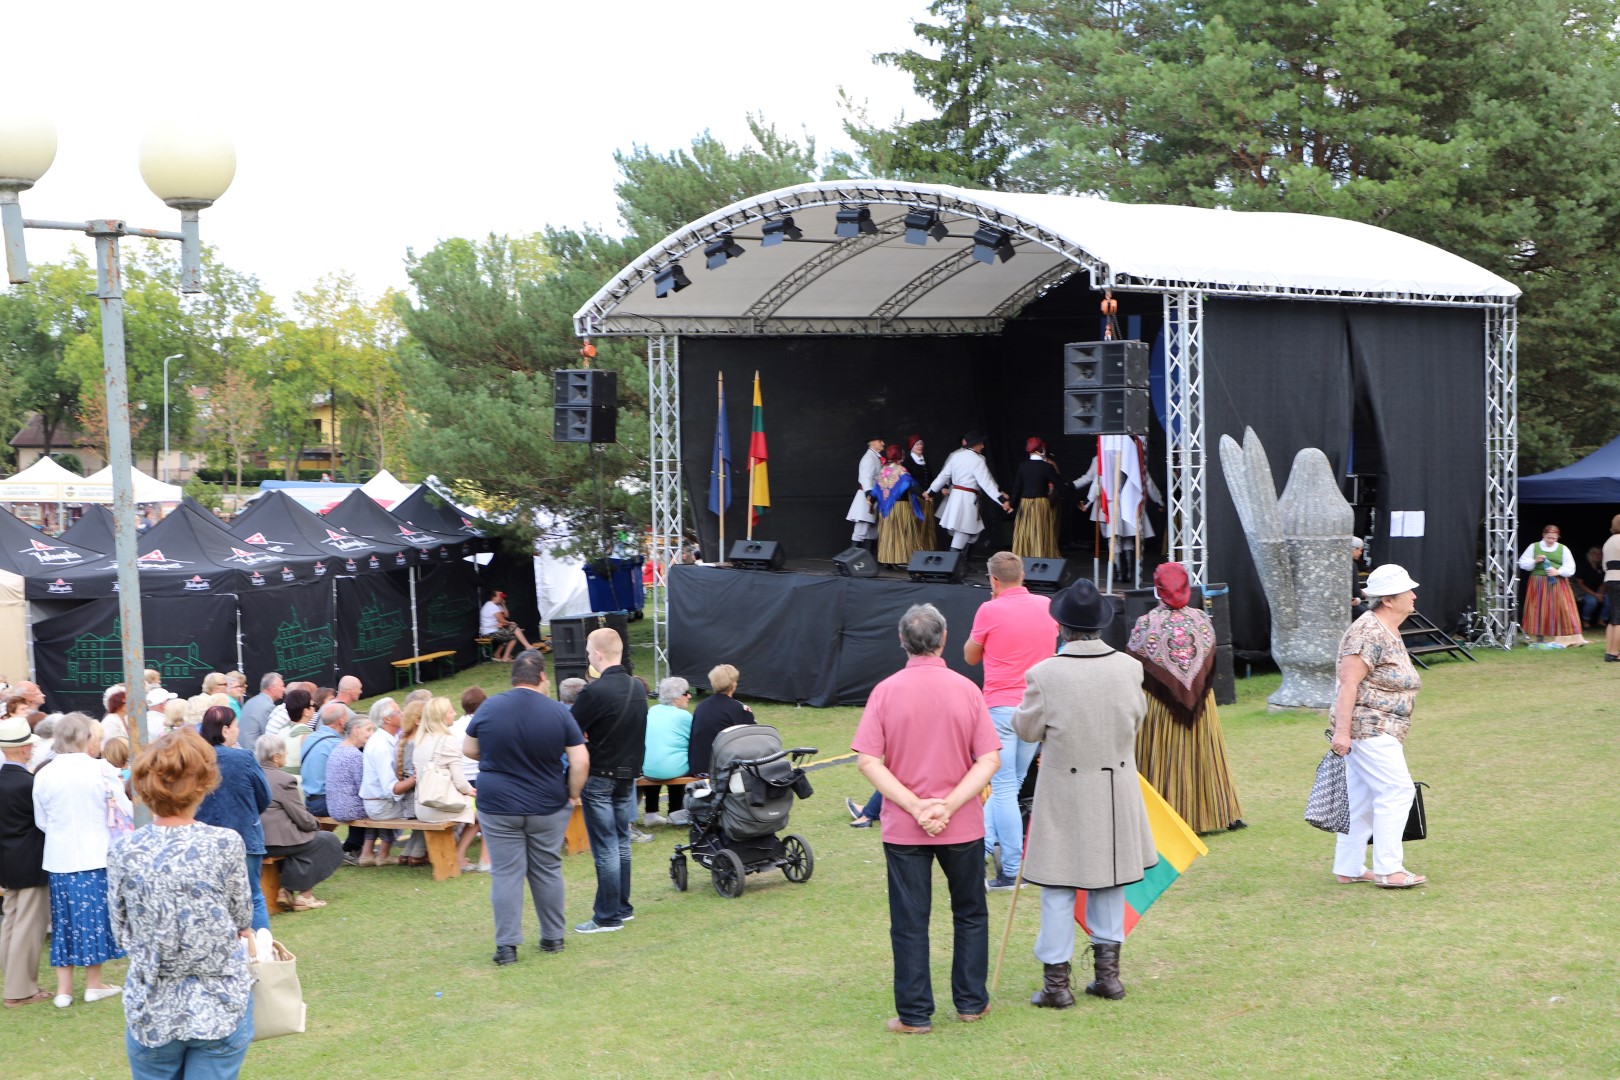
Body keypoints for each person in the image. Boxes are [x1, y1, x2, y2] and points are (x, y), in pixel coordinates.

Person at [853, 603, 1001, 1033]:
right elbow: (989, 759)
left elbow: (868, 760)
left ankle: (916, 1015)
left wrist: (917, 806)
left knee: (909, 921)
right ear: (944, 639)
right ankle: (971, 1002)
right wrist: (947, 806)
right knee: (970, 913)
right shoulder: (966, 690)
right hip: (960, 823)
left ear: (902, 640)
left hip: (907, 828)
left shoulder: (886, 691)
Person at [1015, 578, 1159, 1006]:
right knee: (1110, 883)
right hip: (1113, 788)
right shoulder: (1129, 667)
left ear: (1061, 627)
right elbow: (1136, 721)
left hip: (1065, 791)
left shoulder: (1045, 673)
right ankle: (1107, 979)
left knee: (1058, 888)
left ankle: (1057, 987)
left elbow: (1026, 730)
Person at [107, 731, 255, 1076]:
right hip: (218, 1002)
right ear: (203, 784)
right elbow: (242, 918)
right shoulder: (224, 843)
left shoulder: (124, 850)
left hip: (153, 1006)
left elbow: (120, 930)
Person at [464, 650, 587, 962]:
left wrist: (495, 757)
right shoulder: (558, 711)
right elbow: (580, 760)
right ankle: (553, 938)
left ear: (513, 678)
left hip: (498, 804)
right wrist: (573, 793)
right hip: (547, 802)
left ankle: (506, 948)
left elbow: (469, 748)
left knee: (506, 873)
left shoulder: (490, 706)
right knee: (547, 868)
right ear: (542, 677)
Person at [1127, 562, 1244, 834]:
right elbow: (1212, 659)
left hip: (1159, 705)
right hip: (1202, 704)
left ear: (1158, 590)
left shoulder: (1146, 624)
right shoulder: (1202, 619)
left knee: (1162, 755)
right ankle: (1219, 812)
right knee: (1205, 755)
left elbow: (1134, 665)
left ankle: (1161, 815)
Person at [1330, 564, 1427, 889]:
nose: (1413, 595)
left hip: (1379, 727)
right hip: (1369, 727)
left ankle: (1349, 867)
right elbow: (1348, 683)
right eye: (1407, 591)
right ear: (1388, 599)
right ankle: (1388, 869)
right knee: (1397, 791)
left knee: (1363, 798)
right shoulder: (1367, 632)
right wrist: (1342, 732)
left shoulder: (1385, 629)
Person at [965, 551, 1057, 888]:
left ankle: (1012, 869)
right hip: (1035, 707)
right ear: (1022, 575)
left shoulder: (989, 610)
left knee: (1004, 787)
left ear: (994, 580)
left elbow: (970, 656)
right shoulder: (1046, 606)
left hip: (1002, 707)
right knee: (1011, 783)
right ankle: (983, 851)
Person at [29, 712, 128, 1008]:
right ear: (86, 738)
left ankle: (64, 989)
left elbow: (41, 820)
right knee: (95, 920)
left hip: (60, 857)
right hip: (95, 854)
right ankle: (93, 984)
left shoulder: (44, 773)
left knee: (64, 922)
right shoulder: (101, 770)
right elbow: (123, 810)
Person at [569, 628, 647, 934]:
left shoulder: (594, 692)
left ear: (598, 655)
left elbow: (569, 729)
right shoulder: (637, 687)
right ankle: (622, 908)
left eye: (589, 651)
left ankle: (607, 916)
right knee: (621, 841)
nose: (588, 656)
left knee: (606, 847)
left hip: (601, 775)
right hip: (628, 773)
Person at [195, 706, 273, 932]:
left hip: (205, 841)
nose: (238, 731)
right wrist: (248, 813)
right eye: (236, 726)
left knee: (214, 900)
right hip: (244, 835)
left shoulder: (194, 760)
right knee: (253, 896)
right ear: (225, 730)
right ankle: (261, 949)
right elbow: (264, 796)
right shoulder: (243, 758)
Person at [256, 733, 343, 912]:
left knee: (302, 845)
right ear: (276, 757)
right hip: (277, 842)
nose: (287, 754)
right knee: (327, 841)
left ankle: (286, 891)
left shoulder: (251, 776)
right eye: (285, 752)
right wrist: (316, 826)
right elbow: (302, 818)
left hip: (256, 840)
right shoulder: (283, 779)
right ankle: (304, 896)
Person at [0, 715, 50, 1007]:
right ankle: (19, 990)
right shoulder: (27, 784)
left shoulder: (7, 780)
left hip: (7, 861)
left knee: (11, 921)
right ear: (23, 748)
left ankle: (14, 980)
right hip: (30, 860)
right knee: (28, 926)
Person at [413, 697, 478, 870]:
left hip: (422, 806)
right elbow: (460, 781)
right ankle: (459, 856)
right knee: (481, 815)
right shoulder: (447, 741)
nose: (454, 713)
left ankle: (455, 855)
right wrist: (470, 791)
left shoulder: (420, 740)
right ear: (441, 716)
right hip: (440, 804)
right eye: (451, 711)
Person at [927, 431, 1011, 553]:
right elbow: (987, 484)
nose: (983, 446)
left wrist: (930, 492)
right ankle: (953, 560)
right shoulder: (977, 460)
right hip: (967, 499)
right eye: (981, 443)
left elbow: (943, 476)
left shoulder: (956, 456)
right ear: (975, 444)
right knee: (964, 530)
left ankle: (959, 559)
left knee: (972, 531)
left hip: (956, 497)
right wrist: (1002, 500)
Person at [361, 697, 419, 865]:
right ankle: (417, 853)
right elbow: (391, 789)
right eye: (399, 712)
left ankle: (411, 852)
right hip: (381, 806)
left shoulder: (385, 740)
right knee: (426, 809)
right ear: (387, 719)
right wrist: (416, 778)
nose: (403, 714)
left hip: (378, 803)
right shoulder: (381, 746)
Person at [1518, 524, 1584, 646]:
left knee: (1562, 607)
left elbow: (1570, 567)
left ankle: (1565, 636)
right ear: (1543, 535)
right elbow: (1522, 563)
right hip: (1538, 582)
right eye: (1549, 537)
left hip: (1558, 581)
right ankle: (1539, 637)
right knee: (1538, 608)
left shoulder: (1563, 549)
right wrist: (1535, 561)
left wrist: (1557, 571)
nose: (1551, 540)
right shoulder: (1534, 546)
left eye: (1554, 538)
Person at [642, 677, 693, 826]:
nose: (689, 696)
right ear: (676, 698)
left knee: (660, 757)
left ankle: (651, 812)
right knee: (680, 761)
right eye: (686, 693)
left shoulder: (652, 710)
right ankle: (674, 812)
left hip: (648, 768)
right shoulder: (684, 716)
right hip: (671, 768)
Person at [688, 664, 754, 777]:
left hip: (698, 767)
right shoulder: (739, 709)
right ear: (733, 685)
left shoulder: (701, 706)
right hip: (721, 770)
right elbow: (753, 739)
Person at [449, 686, 490, 871]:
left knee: (477, 818)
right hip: (476, 779)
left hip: (460, 781)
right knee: (487, 814)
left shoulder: (454, 727)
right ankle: (485, 858)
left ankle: (461, 856)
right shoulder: (482, 724)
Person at [325, 715, 375, 863]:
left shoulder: (337, 750)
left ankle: (354, 845)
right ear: (355, 730)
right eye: (368, 729)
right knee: (382, 807)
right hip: (348, 809)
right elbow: (364, 787)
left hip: (334, 806)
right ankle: (357, 847)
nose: (372, 733)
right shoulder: (354, 755)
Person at [870, 444, 924, 568]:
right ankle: (901, 558)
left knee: (888, 534)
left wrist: (871, 501)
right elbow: (911, 485)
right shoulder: (901, 470)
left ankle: (887, 559)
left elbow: (876, 490)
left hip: (885, 509)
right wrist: (923, 494)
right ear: (900, 456)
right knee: (902, 533)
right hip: (900, 507)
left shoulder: (883, 470)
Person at [1010, 437, 1061, 558]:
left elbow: (1017, 488)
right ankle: (1040, 556)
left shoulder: (1023, 466)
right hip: (1041, 503)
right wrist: (1076, 500)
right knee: (1040, 531)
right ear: (1041, 449)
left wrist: (1012, 504)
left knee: (1024, 532)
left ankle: (1023, 556)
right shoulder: (1047, 467)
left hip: (1025, 504)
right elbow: (1060, 485)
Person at [299, 701, 351, 817]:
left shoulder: (308, 738)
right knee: (361, 805)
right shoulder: (336, 745)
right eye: (346, 716)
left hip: (309, 801)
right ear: (341, 721)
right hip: (325, 802)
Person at [846, 435, 885, 555]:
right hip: (867, 497)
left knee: (872, 531)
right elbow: (866, 477)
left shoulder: (875, 457)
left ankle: (869, 558)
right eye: (880, 441)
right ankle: (851, 558)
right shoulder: (869, 458)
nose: (883, 443)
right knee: (861, 530)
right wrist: (869, 494)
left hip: (874, 496)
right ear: (872, 442)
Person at [480, 589, 533, 662]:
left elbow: (506, 615)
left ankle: (497, 654)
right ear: (493, 597)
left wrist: (503, 604)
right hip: (489, 633)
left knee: (512, 633)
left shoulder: (495, 605)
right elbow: (501, 620)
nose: (501, 597)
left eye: (502, 596)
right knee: (514, 631)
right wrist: (510, 623)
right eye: (499, 596)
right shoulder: (491, 606)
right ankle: (527, 647)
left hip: (493, 630)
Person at [237, 671, 284, 751]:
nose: (284, 689)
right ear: (272, 688)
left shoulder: (250, 701)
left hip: (243, 750)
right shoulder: (268, 707)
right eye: (282, 686)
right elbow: (271, 737)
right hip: (255, 753)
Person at [1575, 545, 1608, 629]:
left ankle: (1601, 620)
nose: (1597, 555)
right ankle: (1585, 620)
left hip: (1598, 591)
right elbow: (1580, 583)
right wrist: (1595, 595)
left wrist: (1601, 592)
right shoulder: (1584, 566)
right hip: (1584, 591)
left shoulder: (1601, 567)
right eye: (1595, 553)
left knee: (1610, 599)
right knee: (1592, 601)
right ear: (1590, 554)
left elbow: (1605, 581)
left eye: (1599, 554)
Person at [1605, 514, 1620, 663]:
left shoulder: (1608, 542)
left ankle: (1609, 652)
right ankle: (1615, 653)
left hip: (1610, 580)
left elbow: (1605, 566)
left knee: (1614, 617)